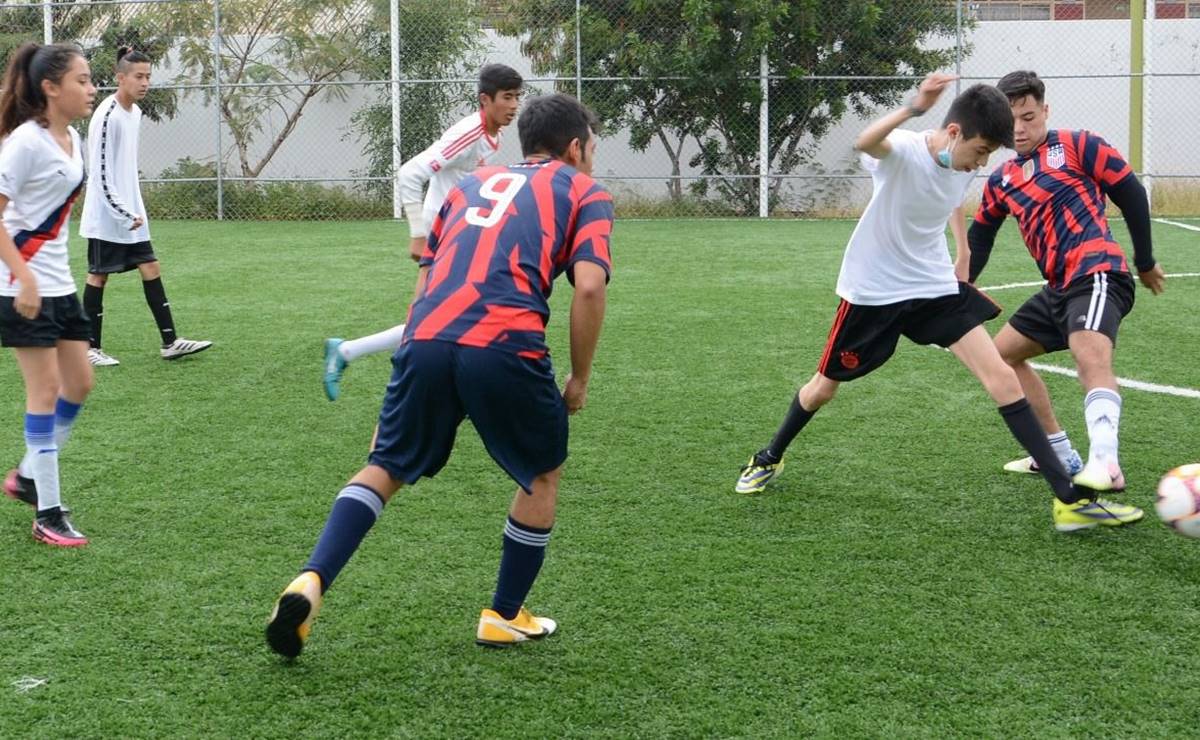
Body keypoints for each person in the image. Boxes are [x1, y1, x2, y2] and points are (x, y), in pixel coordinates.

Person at [267, 93, 613, 658]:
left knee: (384, 465)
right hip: (504, 342)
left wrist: (412, 361)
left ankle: (311, 579)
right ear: (575, 147)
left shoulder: (467, 186)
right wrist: (579, 377)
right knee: (541, 475)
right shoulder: (585, 190)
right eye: (592, 146)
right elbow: (590, 287)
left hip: (426, 335)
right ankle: (503, 615)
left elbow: (425, 287)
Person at [735, 73, 1143, 532]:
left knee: (1001, 377)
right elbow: (866, 141)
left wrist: (963, 249)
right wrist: (916, 105)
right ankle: (769, 456)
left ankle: (1069, 500)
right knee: (822, 389)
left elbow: (947, 194)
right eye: (980, 152)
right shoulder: (904, 151)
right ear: (954, 133)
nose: (980, 164)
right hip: (874, 291)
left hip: (931, 286)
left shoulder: (960, 163)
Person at [968, 70, 1165, 493]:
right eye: (1011, 121)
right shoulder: (1002, 179)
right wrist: (960, 287)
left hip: (1097, 273)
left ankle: (1106, 465)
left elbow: (1130, 191)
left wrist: (1144, 259)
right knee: (1000, 357)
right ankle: (1058, 455)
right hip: (1058, 287)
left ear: (1045, 111)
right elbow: (981, 235)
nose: (1019, 129)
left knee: (1090, 358)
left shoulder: (1079, 145)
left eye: (1029, 117)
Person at [321, 63, 523, 400]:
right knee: (428, 317)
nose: (515, 105)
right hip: (439, 232)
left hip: (458, 230)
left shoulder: (493, 135)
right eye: (507, 97)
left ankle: (351, 353)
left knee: (437, 313)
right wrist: (419, 234)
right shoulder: (469, 134)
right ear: (485, 100)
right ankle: (364, 361)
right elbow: (409, 174)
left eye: (517, 97)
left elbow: (464, 180)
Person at [0, 42, 97, 545]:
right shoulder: (24, 143)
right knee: (43, 393)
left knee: (79, 384)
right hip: (21, 288)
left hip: (59, 283)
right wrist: (26, 276)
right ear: (50, 87)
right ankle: (48, 513)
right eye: (81, 80)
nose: (91, 87)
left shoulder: (74, 139)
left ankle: (26, 475)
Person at [78, 46, 212, 367]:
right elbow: (100, 174)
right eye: (139, 76)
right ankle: (88, 348)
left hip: (132, 216)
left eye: (148, 76)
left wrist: (135, 210)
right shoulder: (107, 116)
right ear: (120, 78)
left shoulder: (134, 113)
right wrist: (123, 212)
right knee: (98, 276)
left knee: (151, 266)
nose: (145, 82)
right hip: (108, 216)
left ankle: (171, 342)